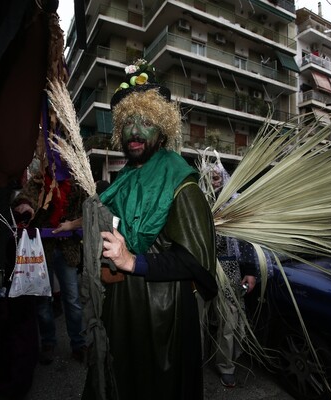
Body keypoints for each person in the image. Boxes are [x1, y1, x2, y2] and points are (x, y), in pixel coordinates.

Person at [82, 59, 218, 400]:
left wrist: (134, 262)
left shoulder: (179, 182)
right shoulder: (126, 177)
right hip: (123, 307)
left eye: (145, 122)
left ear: (162, 130)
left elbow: (195, 261)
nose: (134, 132)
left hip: (163, 316)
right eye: (127, 123)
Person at [13, 166, 87, 365]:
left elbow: (91, 208)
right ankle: (48, 343)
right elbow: (25, 197)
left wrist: (73, 223)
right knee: (42, 301)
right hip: (42, 248)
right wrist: (25, 206)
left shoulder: (78, 182)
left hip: (68, 249)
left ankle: (78, 344)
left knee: (72, 300)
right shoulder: (39, 180)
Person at [202, 161, 257, 388]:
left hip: (230, 268)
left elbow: (246, 240)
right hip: (202, 267)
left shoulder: (236, 203)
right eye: (208, 179)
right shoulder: (197, 202)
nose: (212, 182)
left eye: (216, 177)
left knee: (229, 319)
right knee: (195, 317)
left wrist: (251, 271)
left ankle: (226, 365)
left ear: (224, 177)